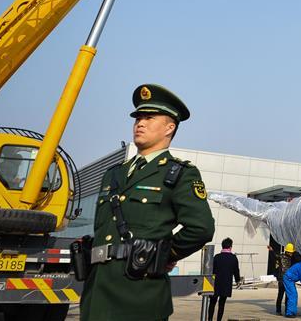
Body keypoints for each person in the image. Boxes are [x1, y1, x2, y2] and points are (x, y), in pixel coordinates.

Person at [80, 84, 215, 321]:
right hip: (97, 291)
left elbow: (201, 228)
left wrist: (163, 255)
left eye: (149, 118)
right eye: (138, 118)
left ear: (169, 127)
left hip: (140, 294)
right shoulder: (113, 174)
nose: (140, 123)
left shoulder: (179, 173)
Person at [208, 238, 241, 321]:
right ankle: (219, 320)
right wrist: (238, 280)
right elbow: (236, 270)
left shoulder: (216, 257)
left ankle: (209, 319)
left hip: (215, 283)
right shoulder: (233, 258)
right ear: (230, 247)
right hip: (226, 284)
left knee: (212, 303)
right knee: (221, 304)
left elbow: (211, 270)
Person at [276, 243, 298, 314]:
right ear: (288, 252)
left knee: (283, 295)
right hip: (284, 279)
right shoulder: (289, 258)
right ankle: (282, 310)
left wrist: (271, 250)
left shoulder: (283, 257)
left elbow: (275, 255)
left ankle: (281, 310)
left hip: (284, 279)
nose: (292, 254)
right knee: (283, 295)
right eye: (291, 252)